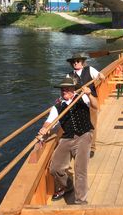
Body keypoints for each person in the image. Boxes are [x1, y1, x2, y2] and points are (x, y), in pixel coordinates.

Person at [37, 76, 98, 204]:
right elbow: (49, 122)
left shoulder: (82, 97)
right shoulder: (57, 106)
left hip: (84, 136)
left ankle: (81, 202)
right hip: (67, 138)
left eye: (67, 89)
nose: (64, 91)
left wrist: (90, 94)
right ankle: (68, 185)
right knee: (55, 168)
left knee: (80, 170)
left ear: (73, 90)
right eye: (62, 90)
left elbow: (95, 105)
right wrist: (44, 129)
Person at [67, 52, 105, 158]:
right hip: (79, 104)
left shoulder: (89, 70)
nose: (75, 63)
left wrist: (101, 76)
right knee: (80, 126)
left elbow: (100, 77)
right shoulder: (69, 75)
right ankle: (80, 147)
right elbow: (67, 91)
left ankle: (92, 148)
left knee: (92, 125)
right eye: (73, 62)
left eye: (78, 61)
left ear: (82, 62)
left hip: (91, 101)